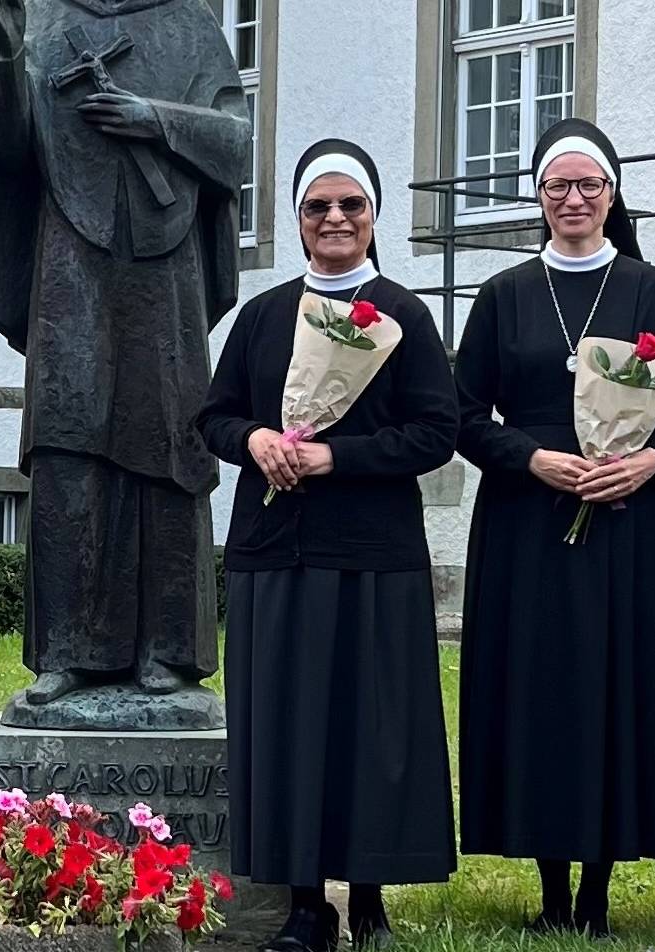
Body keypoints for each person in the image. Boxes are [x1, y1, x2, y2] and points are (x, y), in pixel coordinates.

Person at [196, 139, 458, 951]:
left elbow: (435, 433)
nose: (336, 219)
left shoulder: (405, 316)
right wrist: (257, 442)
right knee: (289, 726)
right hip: (276, 551)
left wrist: (335, 456)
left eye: (351, 206)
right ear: (299, 221)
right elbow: (214, 416)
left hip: (373, 553)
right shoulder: (264, 315)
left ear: (373, 217)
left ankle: (370, 891)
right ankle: (306, 900)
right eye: (319, 207)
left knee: (368, 727)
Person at [453, 118, 655, 937]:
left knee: (611, 687)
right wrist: (532, 460)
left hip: (622, 518)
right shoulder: (503, 295)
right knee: (538, 693)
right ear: (538, 196)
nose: (573, 199)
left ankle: (596, 894)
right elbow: (460, 415)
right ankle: (550, 887)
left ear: (612, 193)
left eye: (588, 184)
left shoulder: (652, 288)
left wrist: (649, 464)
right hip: (528, 521)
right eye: (557, 186)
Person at [0, 0, 251, 716]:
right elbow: (9, 150)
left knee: (169, 441)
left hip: (167, 263)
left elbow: (236, 142)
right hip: (70, 254)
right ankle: (64, 652)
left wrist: (154, 120)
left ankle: (169, 649)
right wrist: (5, 61)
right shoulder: (43, 19)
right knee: (67, 444)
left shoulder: (189, 22)